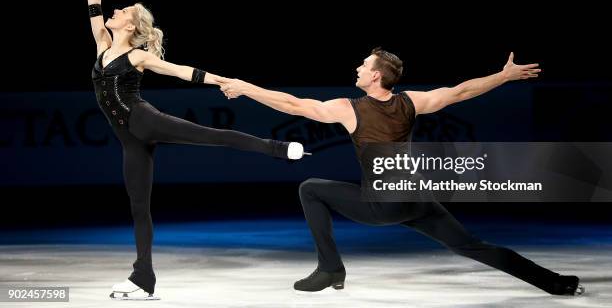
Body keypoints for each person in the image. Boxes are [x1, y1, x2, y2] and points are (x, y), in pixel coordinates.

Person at [219, 47, 584, 296]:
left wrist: (247, 87)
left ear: (375, 76)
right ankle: (556, 284)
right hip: (417, 200)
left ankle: (331, 268)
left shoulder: (351, 109)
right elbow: (460, 92)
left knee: (311, 188)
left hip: (385, 205)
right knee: (472, 245)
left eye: (363, 65)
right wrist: (502, 76)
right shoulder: (412, 101)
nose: (358, 68)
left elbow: (293, 104)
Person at [70, 0, 305, 300]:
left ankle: (279, 147)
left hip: (145, 121)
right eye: (116, 9)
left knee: (212, 136)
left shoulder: (137, 56)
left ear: (130, 25)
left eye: (123, 10)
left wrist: (223, 81)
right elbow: (94, 4)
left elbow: (182, 71)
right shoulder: (102, 44)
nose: (114, 11)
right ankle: (143, 276)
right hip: (129, 140)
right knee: (139, 207)